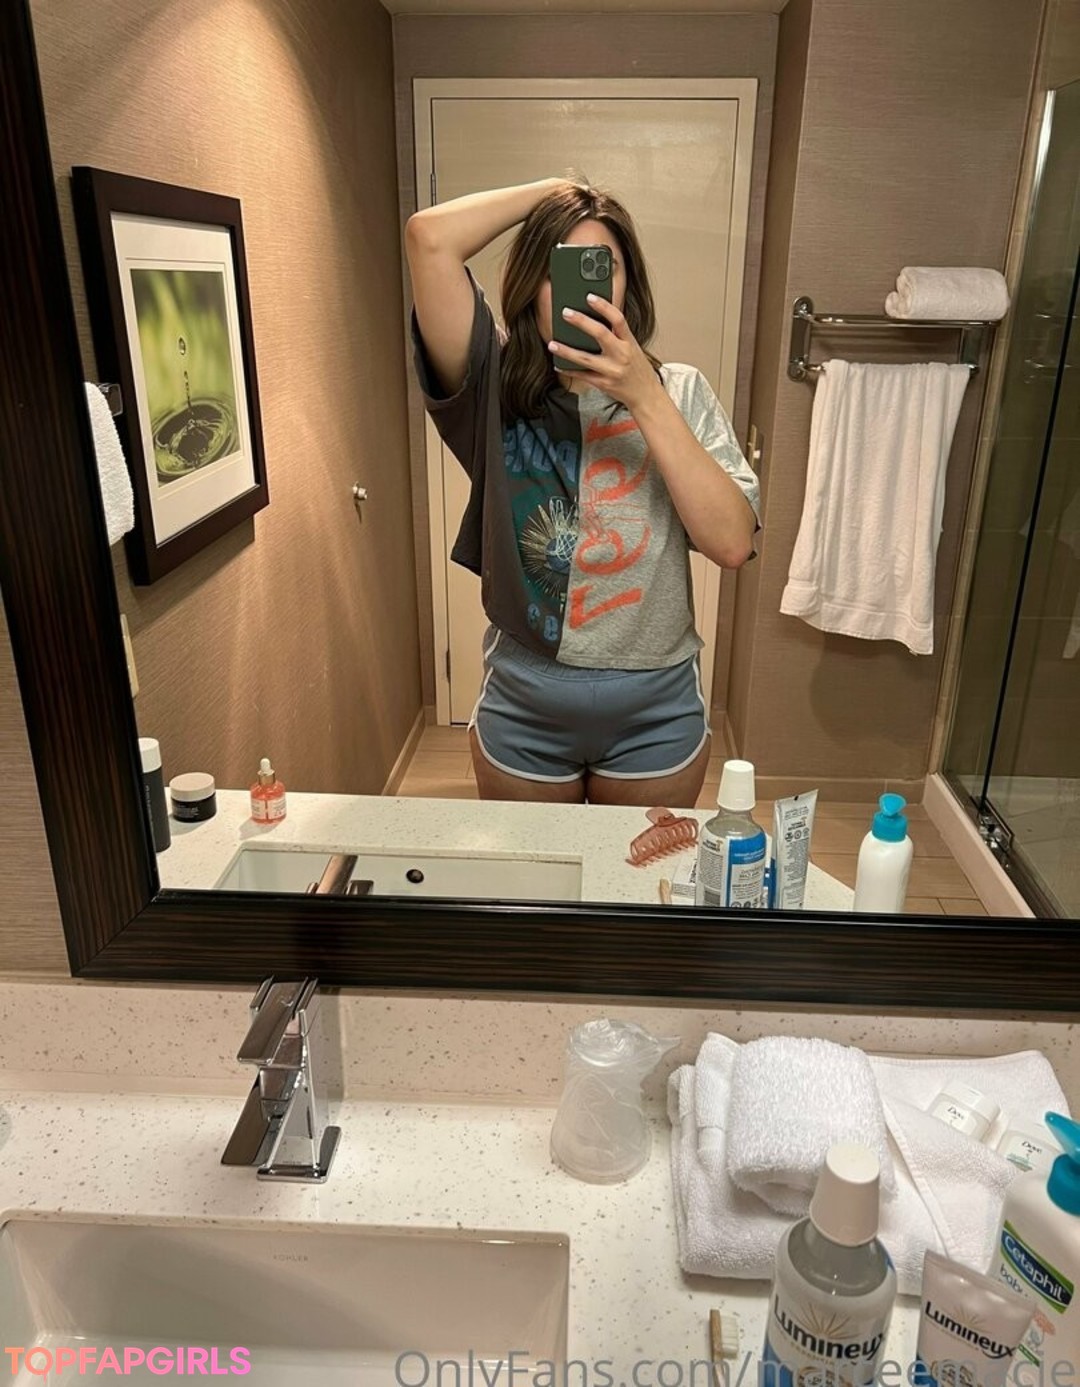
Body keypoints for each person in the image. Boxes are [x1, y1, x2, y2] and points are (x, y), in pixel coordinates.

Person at [406, 178, 760, 807]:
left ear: (628, 284)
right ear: (530, 286)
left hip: (657, 707)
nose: (582, 287)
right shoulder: (492, 383)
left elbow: (732, 544)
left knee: (638, 873)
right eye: (557, 267)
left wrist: (644, 394)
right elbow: (428, 238)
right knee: (532, 872)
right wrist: (560, 190)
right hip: (525, 701)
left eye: (601, 267)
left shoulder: (680, 392)